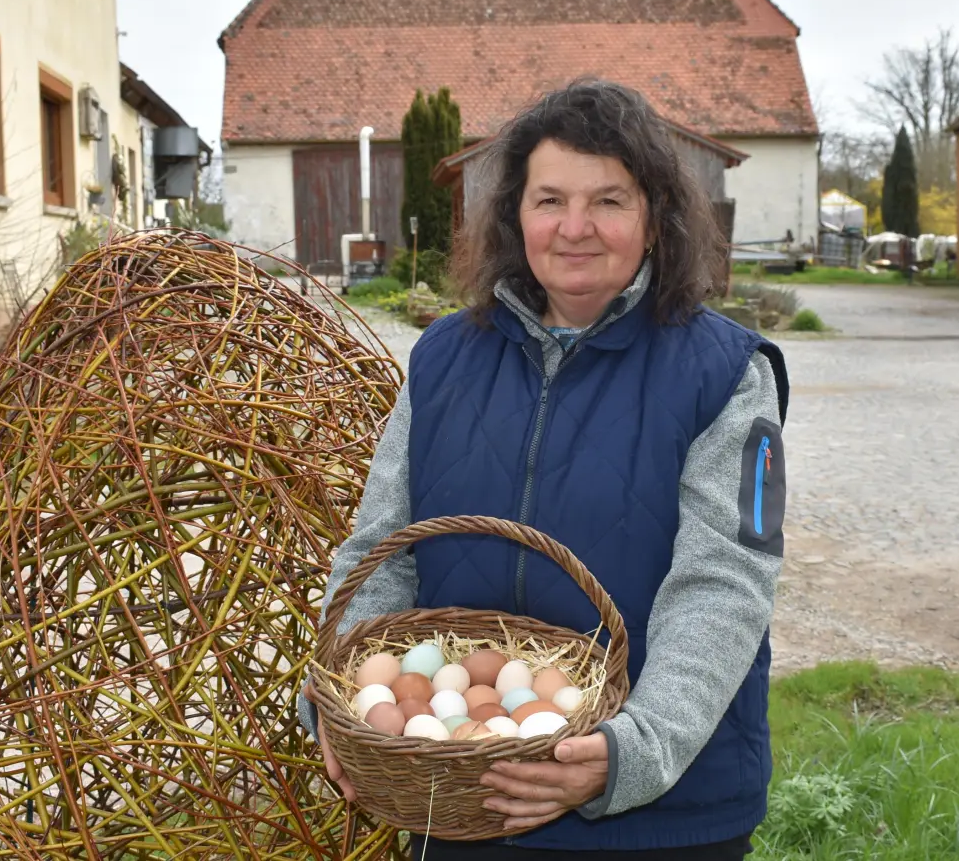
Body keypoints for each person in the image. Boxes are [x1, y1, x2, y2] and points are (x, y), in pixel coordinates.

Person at [299, 78, 789, 859]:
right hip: (460, 792)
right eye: (549, 200)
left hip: (661, 815)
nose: (575, 228)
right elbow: (380, 549)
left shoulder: (724, 372)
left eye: (609, 201)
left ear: (655, 218)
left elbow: (723, 584)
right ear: (514, 214)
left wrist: (632, 751)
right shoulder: (444, 358)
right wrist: (345, 698)